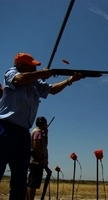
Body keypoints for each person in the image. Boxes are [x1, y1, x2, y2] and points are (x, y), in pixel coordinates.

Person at [0, 52, 83, 200]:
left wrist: (70, 80)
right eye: (31, 67)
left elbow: (52, 89)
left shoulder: (35, 83)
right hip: (5, 129)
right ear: (21, 65)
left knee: (20, 179)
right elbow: (19, 79)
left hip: (23, 133)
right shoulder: (12, 73)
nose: (34, 69)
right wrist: (40, 74)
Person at [26, 116, 50, 200]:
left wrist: (46, 134)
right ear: (43, 123)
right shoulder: (38, 132)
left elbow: (44, 145)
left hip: (37, 161)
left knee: (33, 182)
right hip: (36, 161)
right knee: (33, 184)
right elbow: (36, 146)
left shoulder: (39, 132)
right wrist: (41, 159)